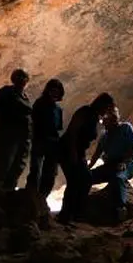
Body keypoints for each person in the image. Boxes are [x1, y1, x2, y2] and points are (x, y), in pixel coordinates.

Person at [56, 92, 115, 225]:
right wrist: (73, 153)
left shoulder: (94, 117)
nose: (108, 111)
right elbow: (73, 131)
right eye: (108, 108)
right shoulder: (85, 112)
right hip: (67, 150)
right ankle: (67, 215)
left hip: (78, 151)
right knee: (75, 181)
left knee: (84, 179)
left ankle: (74, 213)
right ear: (102, 104)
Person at [88, 104, 133, 222]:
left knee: (118, 178)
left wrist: (124, 162)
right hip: (110, 165)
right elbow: (96, 154)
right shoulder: (104, 136)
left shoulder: (126, 127)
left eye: (115, 117)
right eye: (109, 118)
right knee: (87, 177)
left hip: (127, 163)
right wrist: (87, 168)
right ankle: (79, 203)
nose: (113, 120)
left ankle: (121, 208)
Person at [0, 68, 33, 191]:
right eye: (20, 77)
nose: (22, 80)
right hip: (8, 134)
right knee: (4, 162)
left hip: (24, 137)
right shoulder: (6, 92)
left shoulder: (26, 96)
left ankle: (9, 190)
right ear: (14, 79)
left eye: (24, 78)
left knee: (19, 165)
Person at [25, 78, 64, 197]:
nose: (55, 93)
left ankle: (42, 197)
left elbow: (58, 127)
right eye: (52, 90)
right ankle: (31, 196)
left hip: (53, 144)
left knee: (50, 173)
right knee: (35, 170)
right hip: (40, 141)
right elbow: (33, 122)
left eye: (57, 91)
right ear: (48, 90)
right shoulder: (40, 103)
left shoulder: (58, 109)